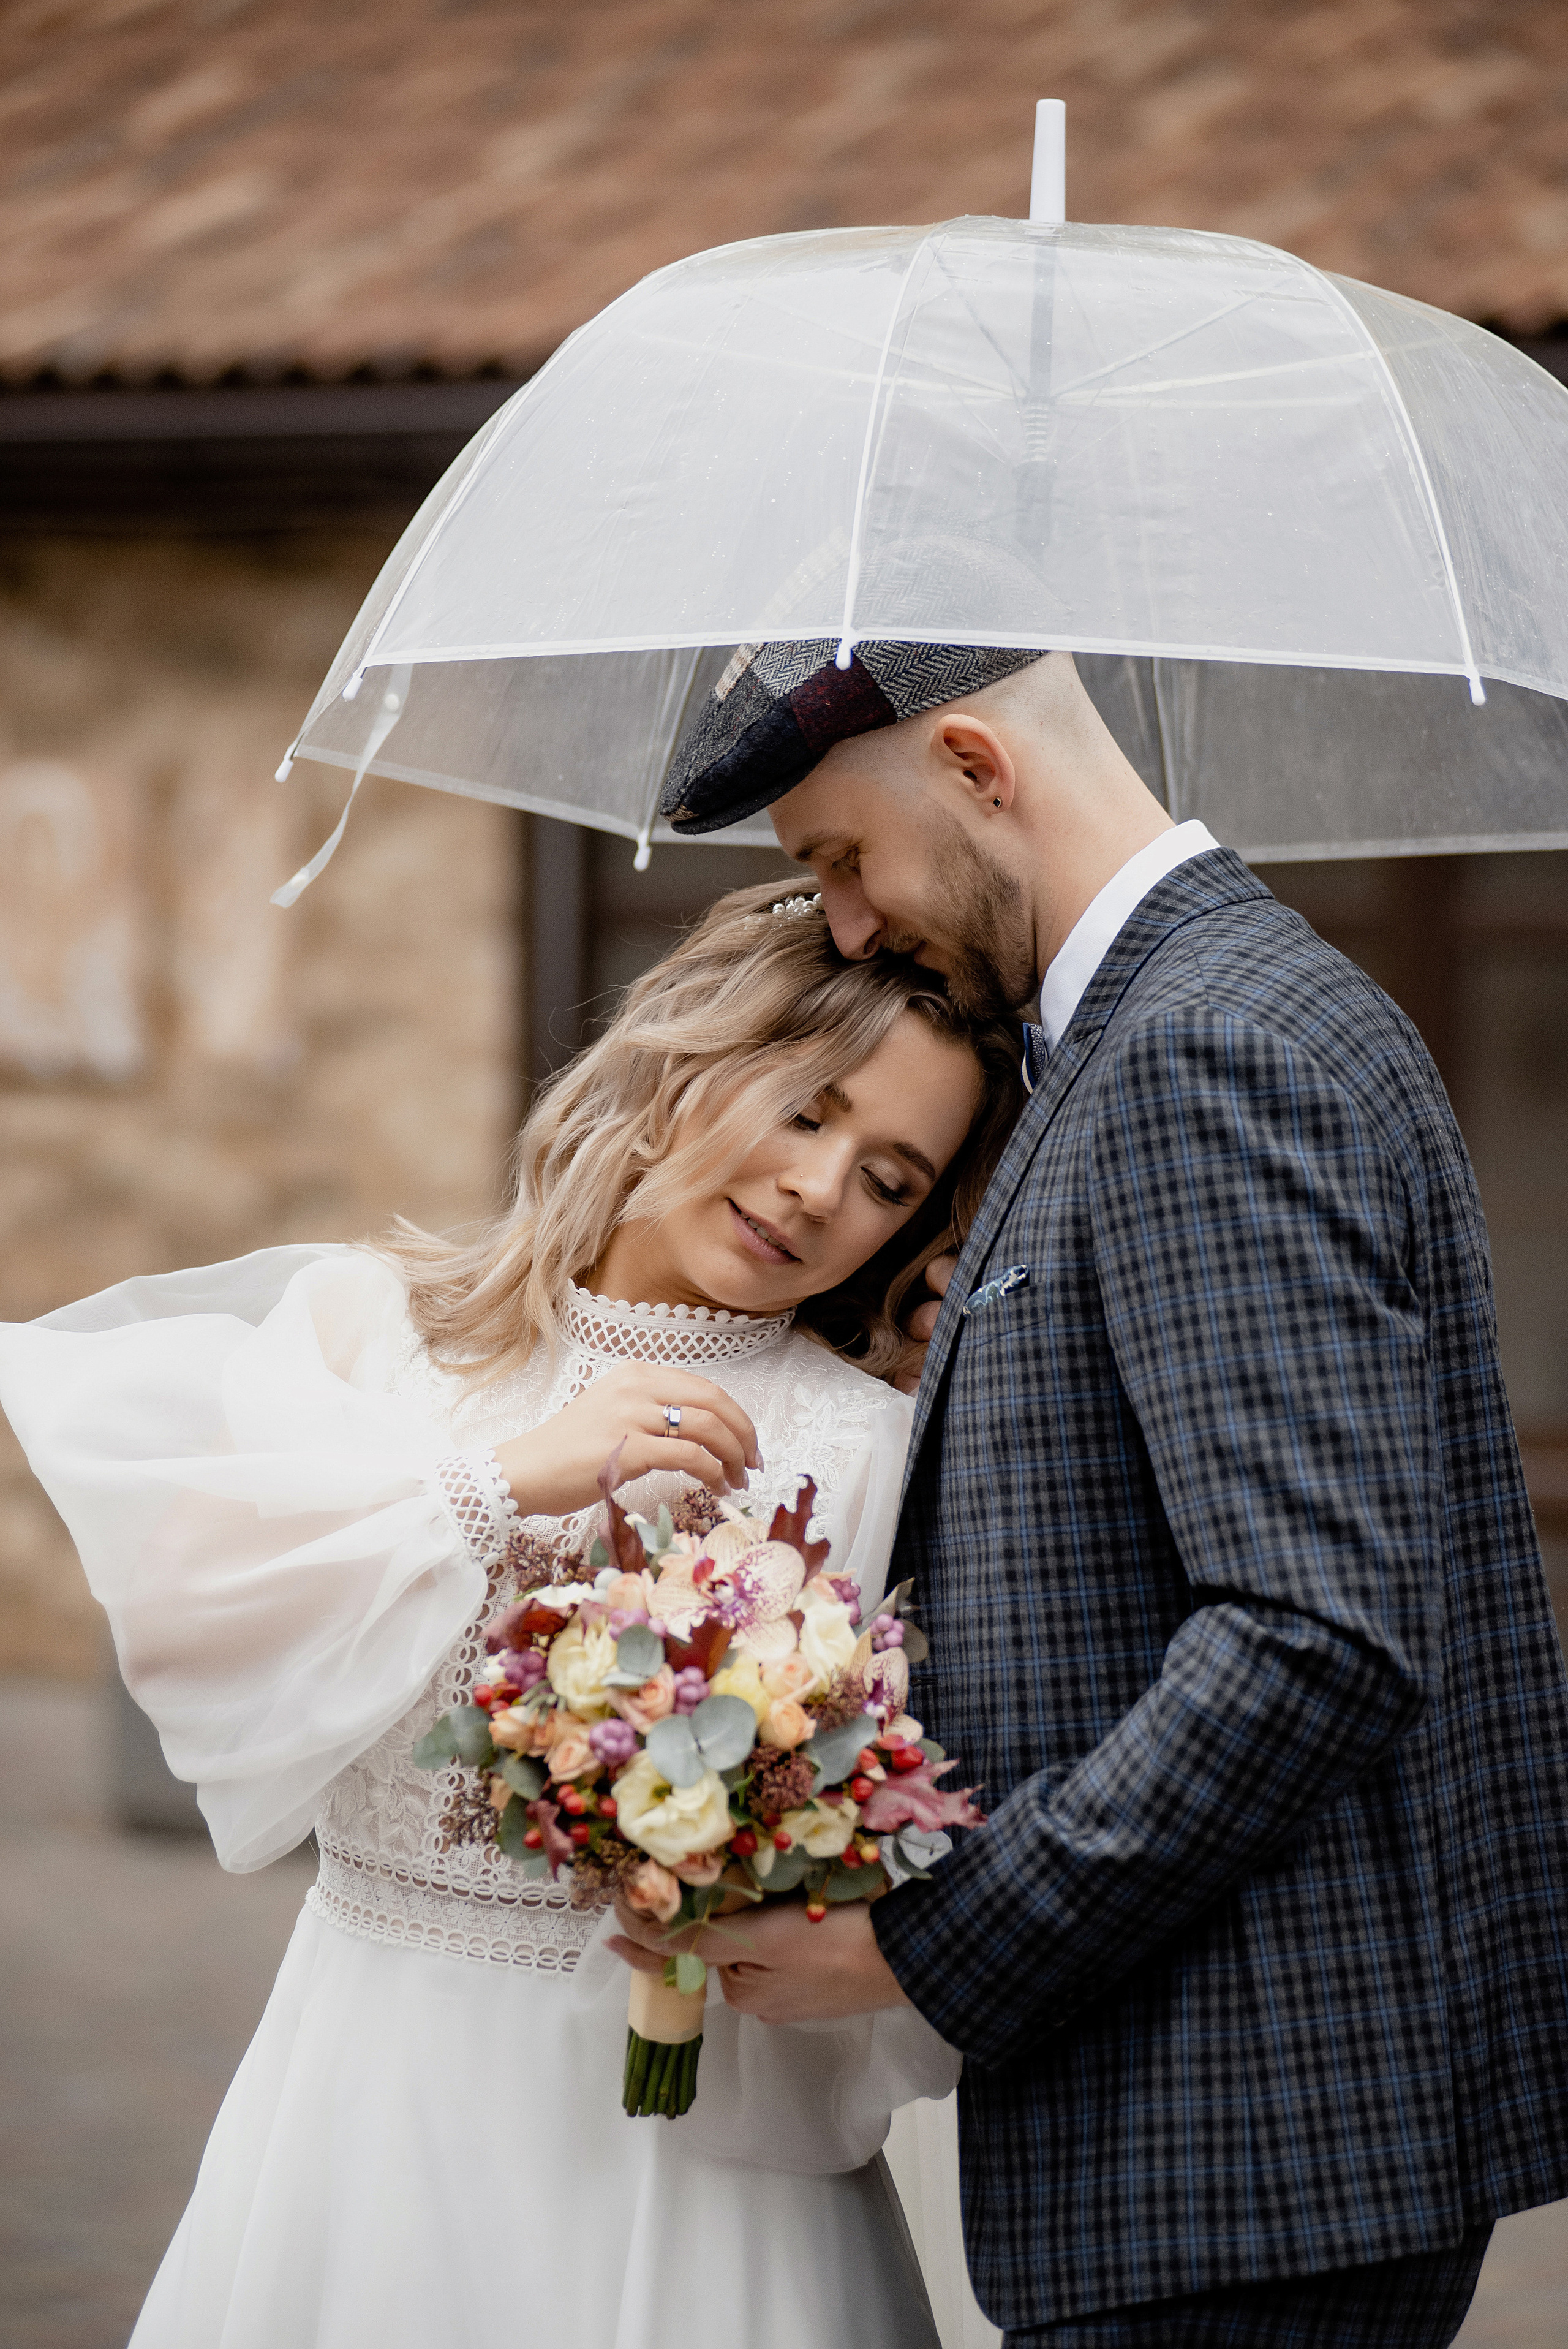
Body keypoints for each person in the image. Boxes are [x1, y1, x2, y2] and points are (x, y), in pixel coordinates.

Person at [615, 638, 1568, 2348]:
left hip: (1250, 2146)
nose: (838, 921)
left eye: (843, 856)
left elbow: (1310, 1633)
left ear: (979, 766)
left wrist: (925, 1948)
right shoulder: (1167, 1028)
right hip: (1250, 2145)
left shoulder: (1203, 1050)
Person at [0, 879, 1027, 2349]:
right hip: (369, 2093)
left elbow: (906, 1821)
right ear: (683, 1062)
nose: (821, 1186)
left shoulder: (863, 1450)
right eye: (806, 1108)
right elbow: (197, 1629)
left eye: (888, 1178)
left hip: (675, 2141)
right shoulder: (380, 1333)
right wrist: (495, 1485)